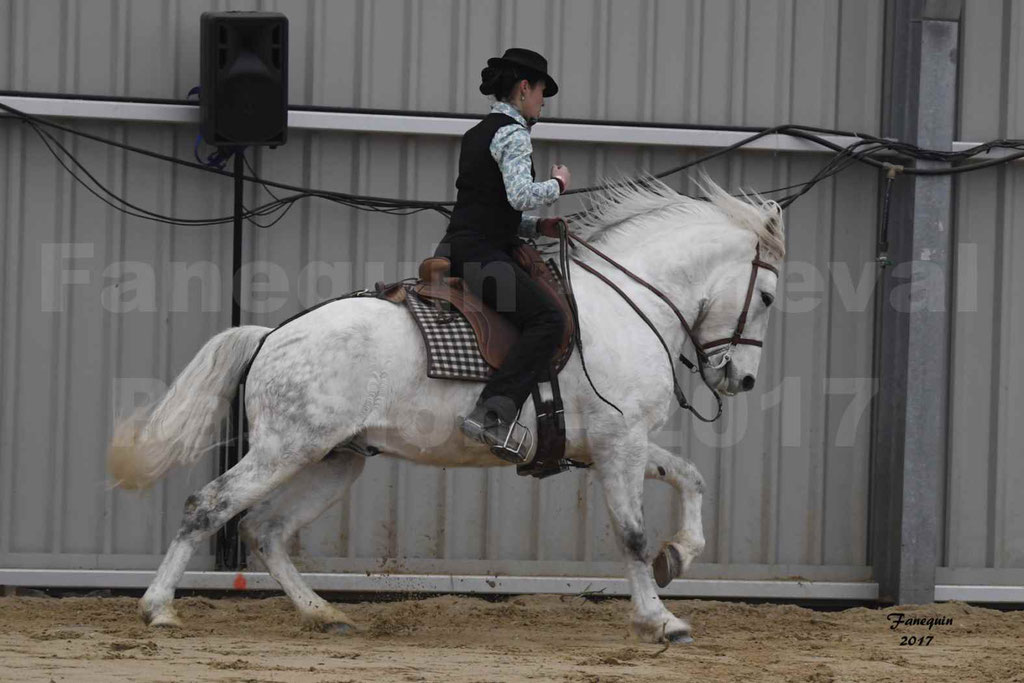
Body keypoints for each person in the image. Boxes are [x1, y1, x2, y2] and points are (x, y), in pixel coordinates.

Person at [433, 47, 570, 463]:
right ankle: (492, 414)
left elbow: (491, 206)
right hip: (481, 255)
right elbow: (520, 195)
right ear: (524, 88)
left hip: (464, 245)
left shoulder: (478, 132)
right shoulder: (513, 134)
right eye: (541, 91)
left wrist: (534, 228)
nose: (542, 101)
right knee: (548, 319)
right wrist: (558, 186)